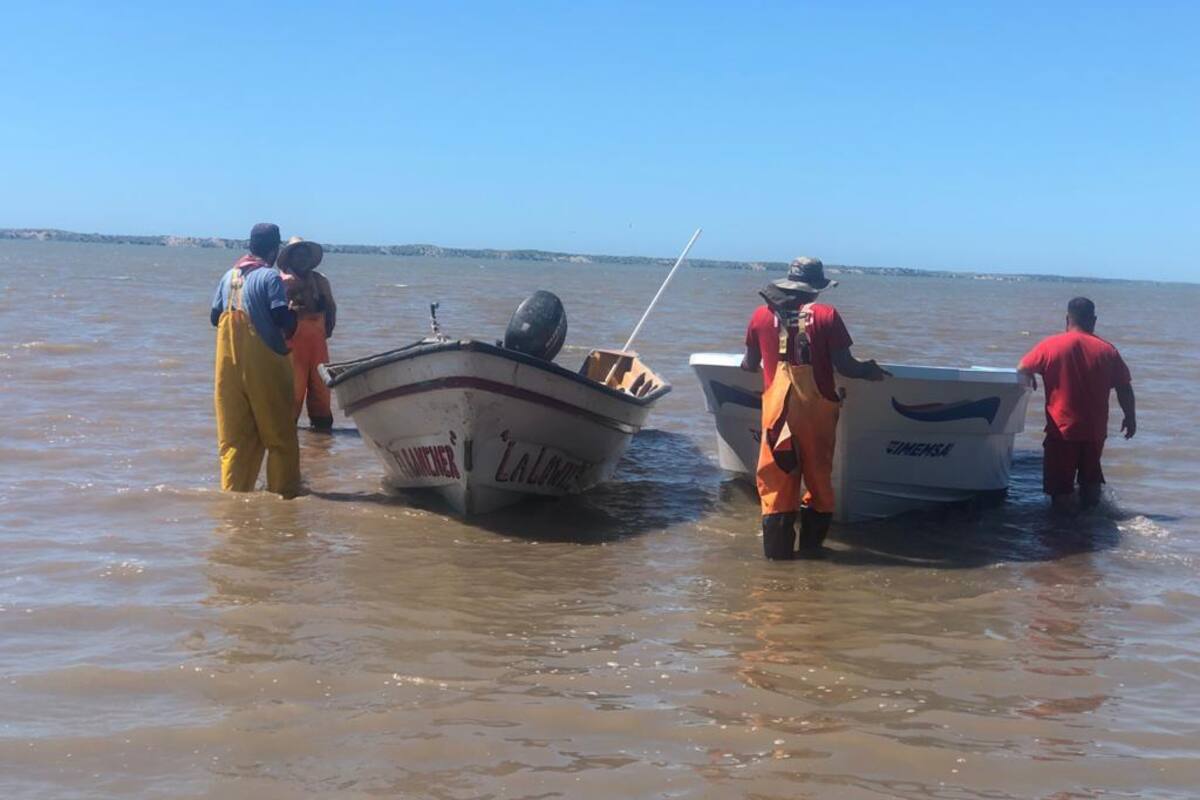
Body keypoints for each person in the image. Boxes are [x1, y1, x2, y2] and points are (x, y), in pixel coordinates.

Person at [741, 257, 889, 560]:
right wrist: (870, 370)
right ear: (816, 288)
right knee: (819, 483)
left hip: (776, 414)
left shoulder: (760, 315)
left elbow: (749, 364)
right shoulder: (826, 315)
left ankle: (777, 566)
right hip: (816, 413)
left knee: (776, 485)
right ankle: (811, 557)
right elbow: (846, 366)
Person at [1018, 297, 1135, 512]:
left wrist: (1029, 375)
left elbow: (1022, 367)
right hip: (1094, 432)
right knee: (1091, 485)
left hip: (1062, 431)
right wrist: (1130, 417)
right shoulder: (1107, 350)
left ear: (1067, 319)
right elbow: (1124, 387)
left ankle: (1063, 528)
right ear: (1094, 320)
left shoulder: (1050, 345)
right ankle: (1092, 524)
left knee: (1060, 492)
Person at [210, 223, 301, 496]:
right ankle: (284, 499)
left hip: (228, 371)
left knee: (235, 443)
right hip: (264, 369)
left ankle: (233, 502)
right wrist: (294, 313)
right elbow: (281, 318)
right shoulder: (270, 277)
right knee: (280, 439)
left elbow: (215, 318)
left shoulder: (228, 276)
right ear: (274, 250)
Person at [277, 237, 337, 430]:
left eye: (305, 255)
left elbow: (331, 307)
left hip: (318, 344)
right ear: (290, 258)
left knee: (322, 389)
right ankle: (288, 433)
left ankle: (321, 437)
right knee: (293, 392)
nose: (302, 259)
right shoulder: (281, 282)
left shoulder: (320, 281)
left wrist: (328, 328)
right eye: (298, 255)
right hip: (292, 345)